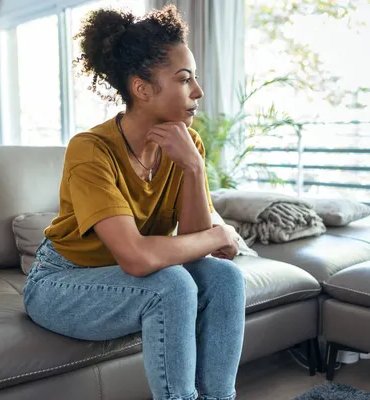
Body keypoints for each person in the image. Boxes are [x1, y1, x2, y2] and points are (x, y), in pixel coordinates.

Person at [22, 5, 246, 400]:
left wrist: (193, 169)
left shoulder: (186, 145)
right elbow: (138, 258)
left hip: (130, 280)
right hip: (60, 281)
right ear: (143, 89)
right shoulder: (90, 150)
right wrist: (221, 233)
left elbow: (191, 243)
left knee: (226, 278)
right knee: (170, 285)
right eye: (184, 79)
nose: (198, 91)